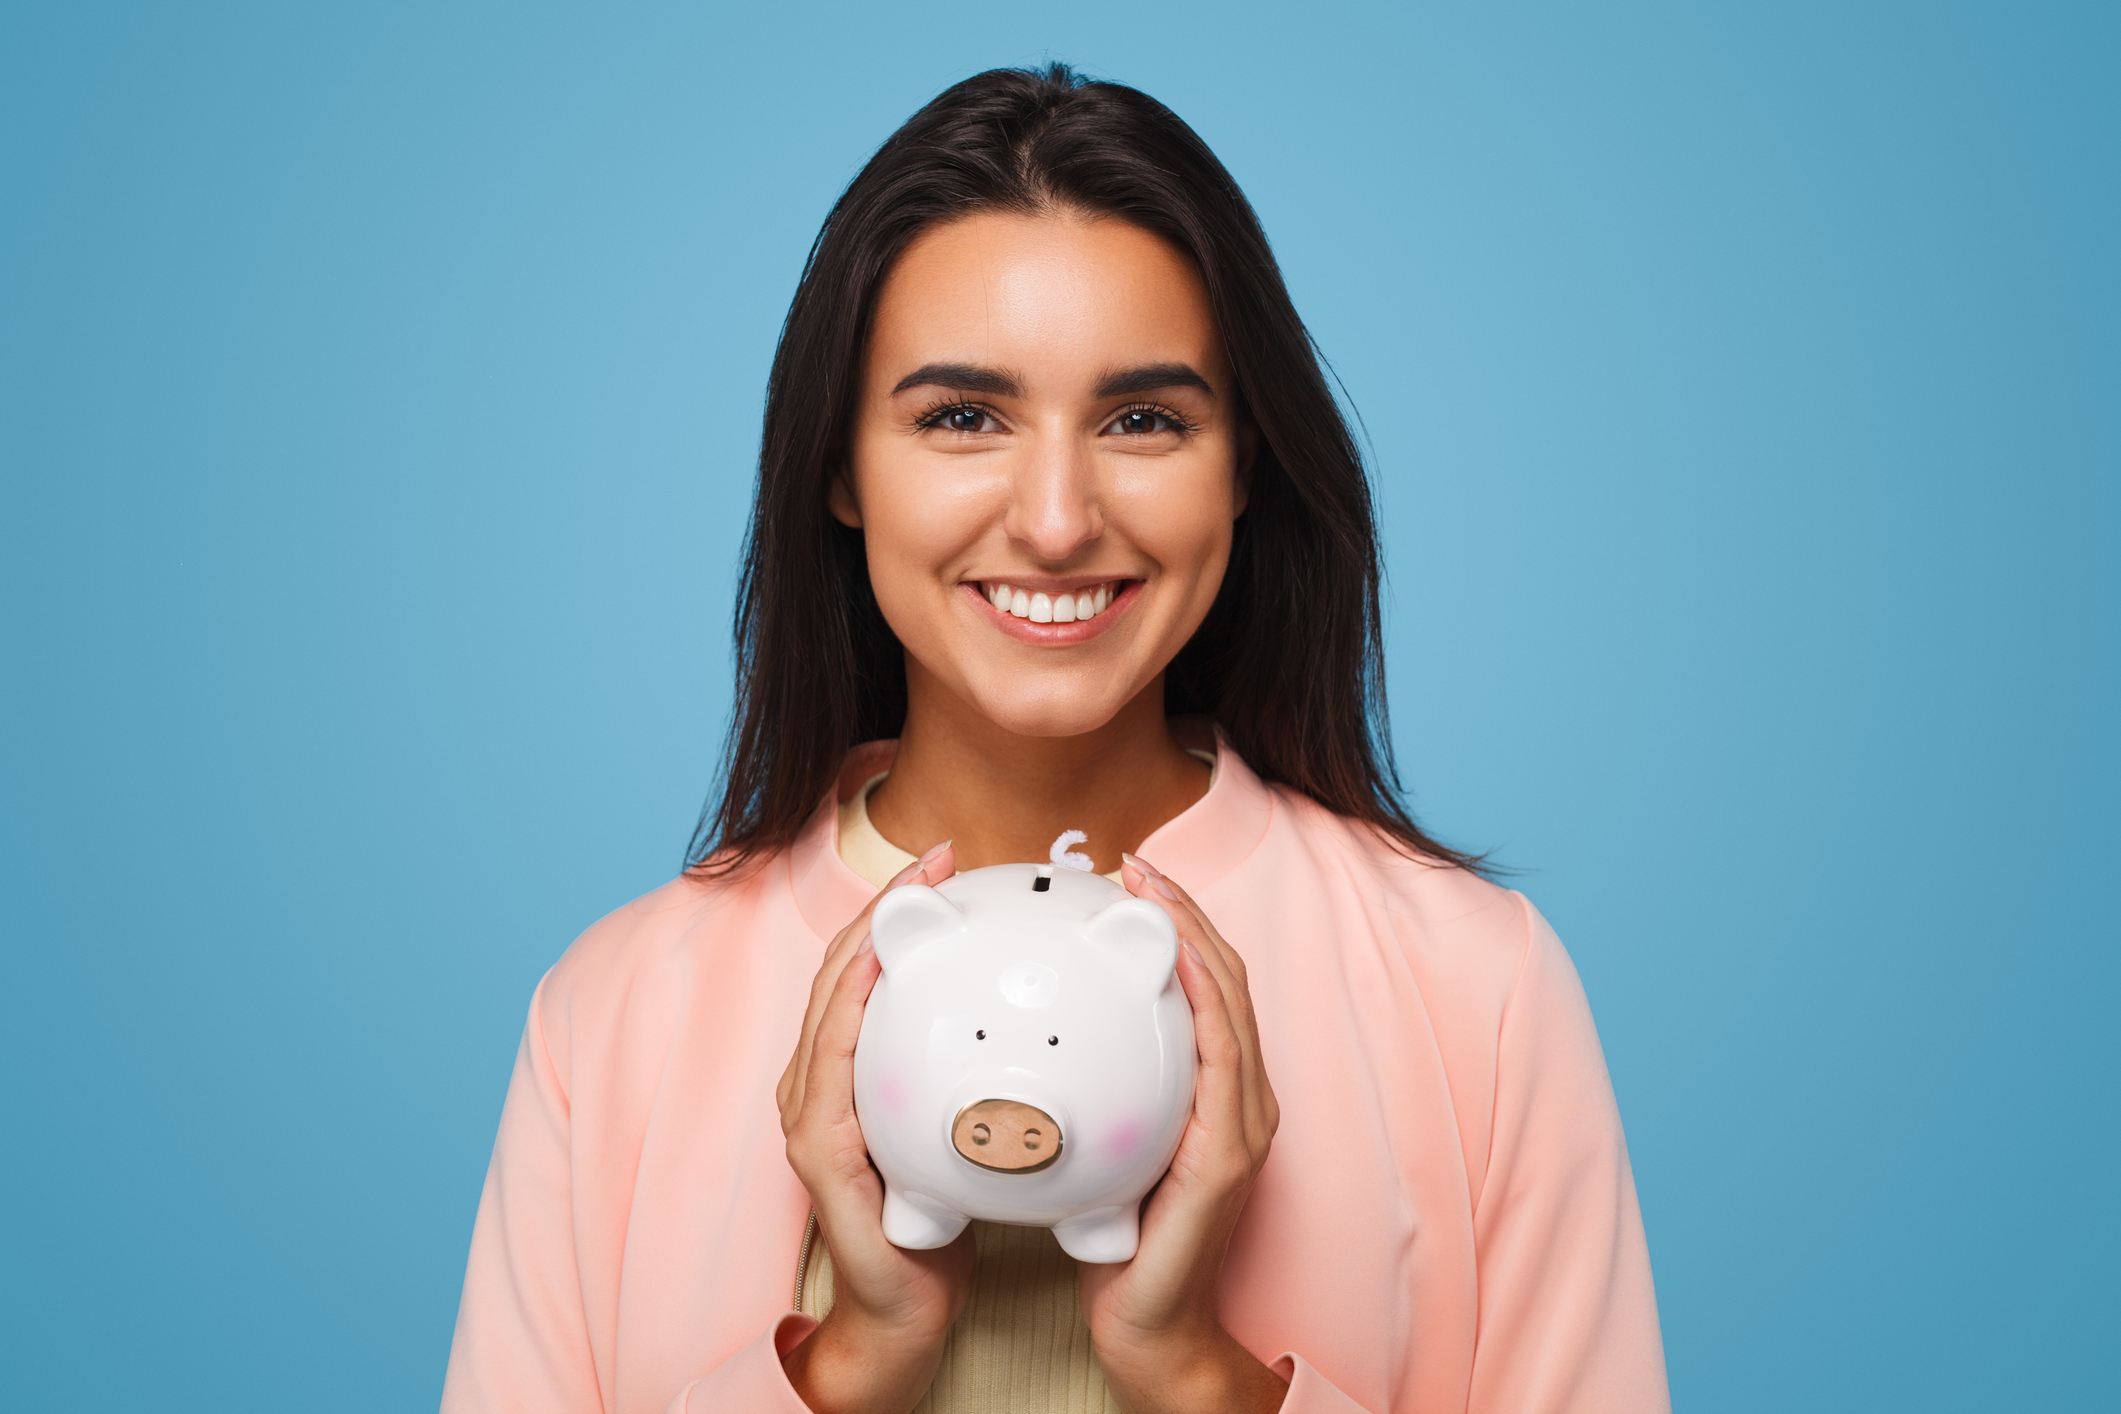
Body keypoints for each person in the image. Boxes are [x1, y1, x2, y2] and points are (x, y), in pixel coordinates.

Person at [440, 64, 1668, 1414]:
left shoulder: (1475, 993)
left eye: (1142, 419)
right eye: (962, 416)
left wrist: (1199, 1377)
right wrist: (845, 1366)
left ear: (1241, 464)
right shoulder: (615, 1014)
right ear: (840, 465)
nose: (1055, 517)